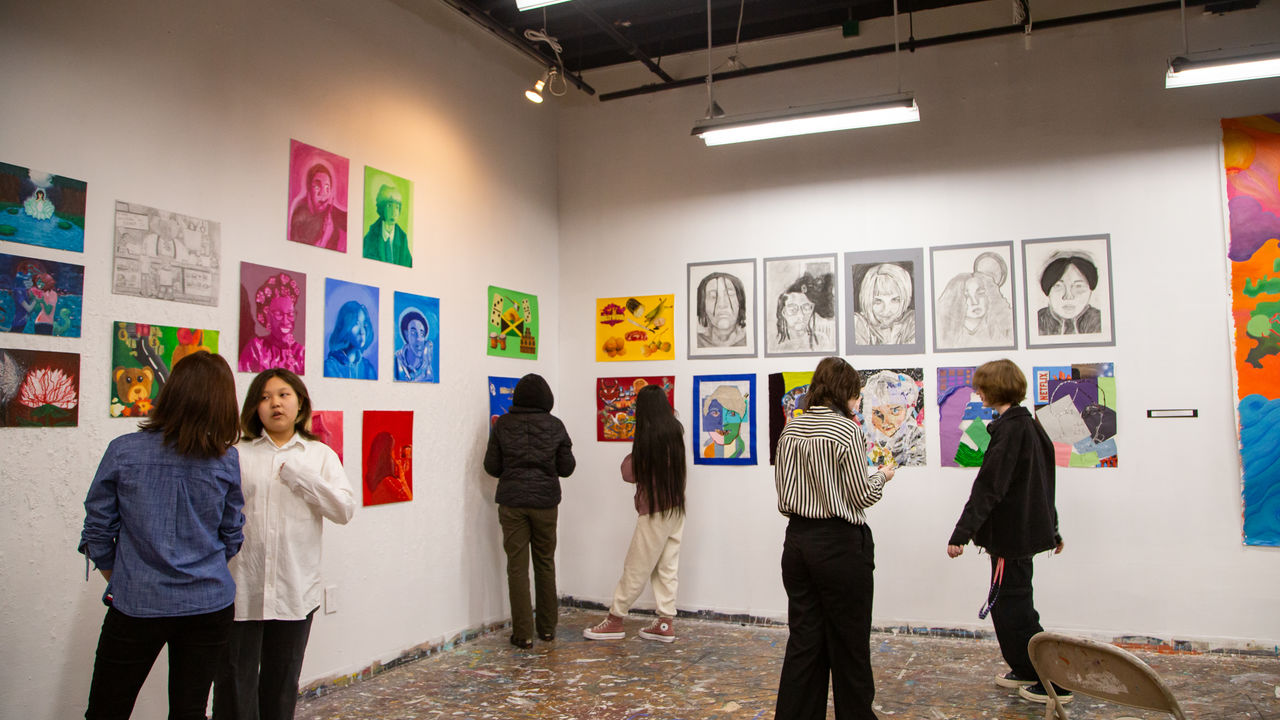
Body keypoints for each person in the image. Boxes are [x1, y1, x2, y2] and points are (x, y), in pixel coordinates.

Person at [78, 351, 244, 720]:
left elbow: (98, 530)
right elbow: (232, 535)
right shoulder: (226, 459)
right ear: (222, 402)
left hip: (138, 602)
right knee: (189, 712)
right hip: (208, 604)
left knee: (106, 710)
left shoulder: (124, 451)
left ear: (170, 393)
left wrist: (119, 576)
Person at [214, 368, 355, 720]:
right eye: (264, 397)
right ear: (254, 408)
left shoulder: (320, 456)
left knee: (281, 686)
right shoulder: (236, 453)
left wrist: (302, 477)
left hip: (294, 591)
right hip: (240, 590)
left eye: (283, 394)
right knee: (233, 686)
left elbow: (343, 510)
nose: (275, 403)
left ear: (300, 402)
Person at [773, 356, 894, 720]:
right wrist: (883, 477)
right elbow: (860, 495)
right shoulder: (846, 430)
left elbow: (782, 493)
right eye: (856, 394)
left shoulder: (791, 429)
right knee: (849, 645)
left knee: (804, 642)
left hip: (797, 542)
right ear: (846, 392)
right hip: (840, 546)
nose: (857, 401)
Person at [946, 359, 1068, 706]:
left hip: (1012, 538)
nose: (977, 391)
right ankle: (1027, 669)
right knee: (1010, 606)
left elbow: (988, 488)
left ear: (994, 389)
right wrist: (1053, 529)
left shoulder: (1011, 430)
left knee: (1015, 611)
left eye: (981, 386)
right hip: (1022, 535)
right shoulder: (1028, 426)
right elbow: (1045, 484)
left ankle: (1054, 681)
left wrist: (961, 533)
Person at [584, 384, 687, 643]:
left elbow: (628, 472)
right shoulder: (675, 430)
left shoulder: (649, 435)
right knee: (666, 567)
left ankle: (615, 619)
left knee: (636, 567)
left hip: (654, 510)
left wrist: (631, 457)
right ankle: (665, 622)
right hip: (675, 507)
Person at [483, 373, 576, 649]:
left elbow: (492, 467)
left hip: (512, 503)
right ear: (547, 398)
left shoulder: (503, 426)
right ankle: (547, 629)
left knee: (517, 567)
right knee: (545, 563)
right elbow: (567, 468)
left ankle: (522, 633)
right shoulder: (556, 426)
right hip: (546, 503)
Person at [936, 252, 1014, 349]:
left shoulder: (1002, 332)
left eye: (980, 293)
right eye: (966, 296)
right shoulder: (945, 335)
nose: (974, 302)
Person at [239, 272, 305, 374]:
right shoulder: (256, 348)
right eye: (278, 314)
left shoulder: (301, 353)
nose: (285, 320)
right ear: (267, 315)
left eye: (290, 314)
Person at [860, 370, 926, 468]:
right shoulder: (865, 439)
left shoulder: (917, 438)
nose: (886, 421)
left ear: (908, 408)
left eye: (895, 411)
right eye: (877, 413)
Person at [1036, 253, 1101, 335]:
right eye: (1058, 286)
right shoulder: (1036, 321)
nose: (1068, 297)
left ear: (1090, 290)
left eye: (1078, 286)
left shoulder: (1100, 321)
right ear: (1047, 290)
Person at [852, 263, 915, 346]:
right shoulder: (858, 324)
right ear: (867, 301)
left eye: (895, 300)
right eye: (878, 302)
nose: (886, 310)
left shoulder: (912, 321)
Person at [774, 270, 836, 353]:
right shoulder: (778, 346)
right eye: (793, 310)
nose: (801, 315)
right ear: (783, 312)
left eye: (806, 308)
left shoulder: (821, 341)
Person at [290, 163, 347, 250]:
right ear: (309, 189)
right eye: (317, 187)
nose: (323, 194)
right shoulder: (300, 216)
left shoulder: (330, 211)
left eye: (327, 188)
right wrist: (326, 235)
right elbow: (299, 254)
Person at [362, 183, 411, 267]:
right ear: (382, 207)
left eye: (397, 207)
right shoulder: (371, 237)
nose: (393, 212)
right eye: (389, 206)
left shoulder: (402, 238)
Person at [324, 300, 375, 379]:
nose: (362, 331)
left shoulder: (368, 368)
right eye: (356, 324)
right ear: (345, 327)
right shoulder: (330, 367)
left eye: (364, 324)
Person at [695, 271, 747, 347]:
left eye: (730, 294)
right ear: (702, 305)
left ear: (740, 301)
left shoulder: (749, 341)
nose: (722, 305)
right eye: (713, 296)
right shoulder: (697, 342)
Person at [393, 307, 434, 382]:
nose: (419, 339)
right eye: (413, 333)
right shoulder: (396, 362)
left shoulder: (427, 368)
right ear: (406, 335)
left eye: (422, 334)